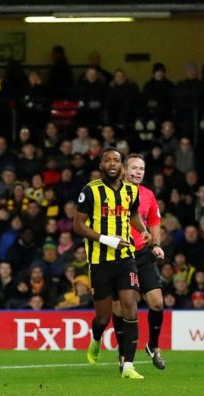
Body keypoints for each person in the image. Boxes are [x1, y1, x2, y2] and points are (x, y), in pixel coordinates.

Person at [74, 148, 151, 379]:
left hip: (125, 257)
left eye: (116, 160)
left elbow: (133, 214)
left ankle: (128, 366)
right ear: (101, 166)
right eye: (107, 160)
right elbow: (78, 225)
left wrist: (143, 230)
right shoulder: (91, 190)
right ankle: (96, 337)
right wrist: (107, 239)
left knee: (130, 305)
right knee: (103, 317)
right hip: (100, 261)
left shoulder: (131, 191)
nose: (112, 163)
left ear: (122, 166)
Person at [112, 154, 166, 371]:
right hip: (119, 254)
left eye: (141, 169)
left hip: (142, 253)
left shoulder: (148, 195)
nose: (138, 172)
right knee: (121, 308)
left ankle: (153, 345)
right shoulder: (112, 193)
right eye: (134, 168)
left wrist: (156, 244)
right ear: (124, 170)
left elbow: (154, 221)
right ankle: (123, 352)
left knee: (157, 302)